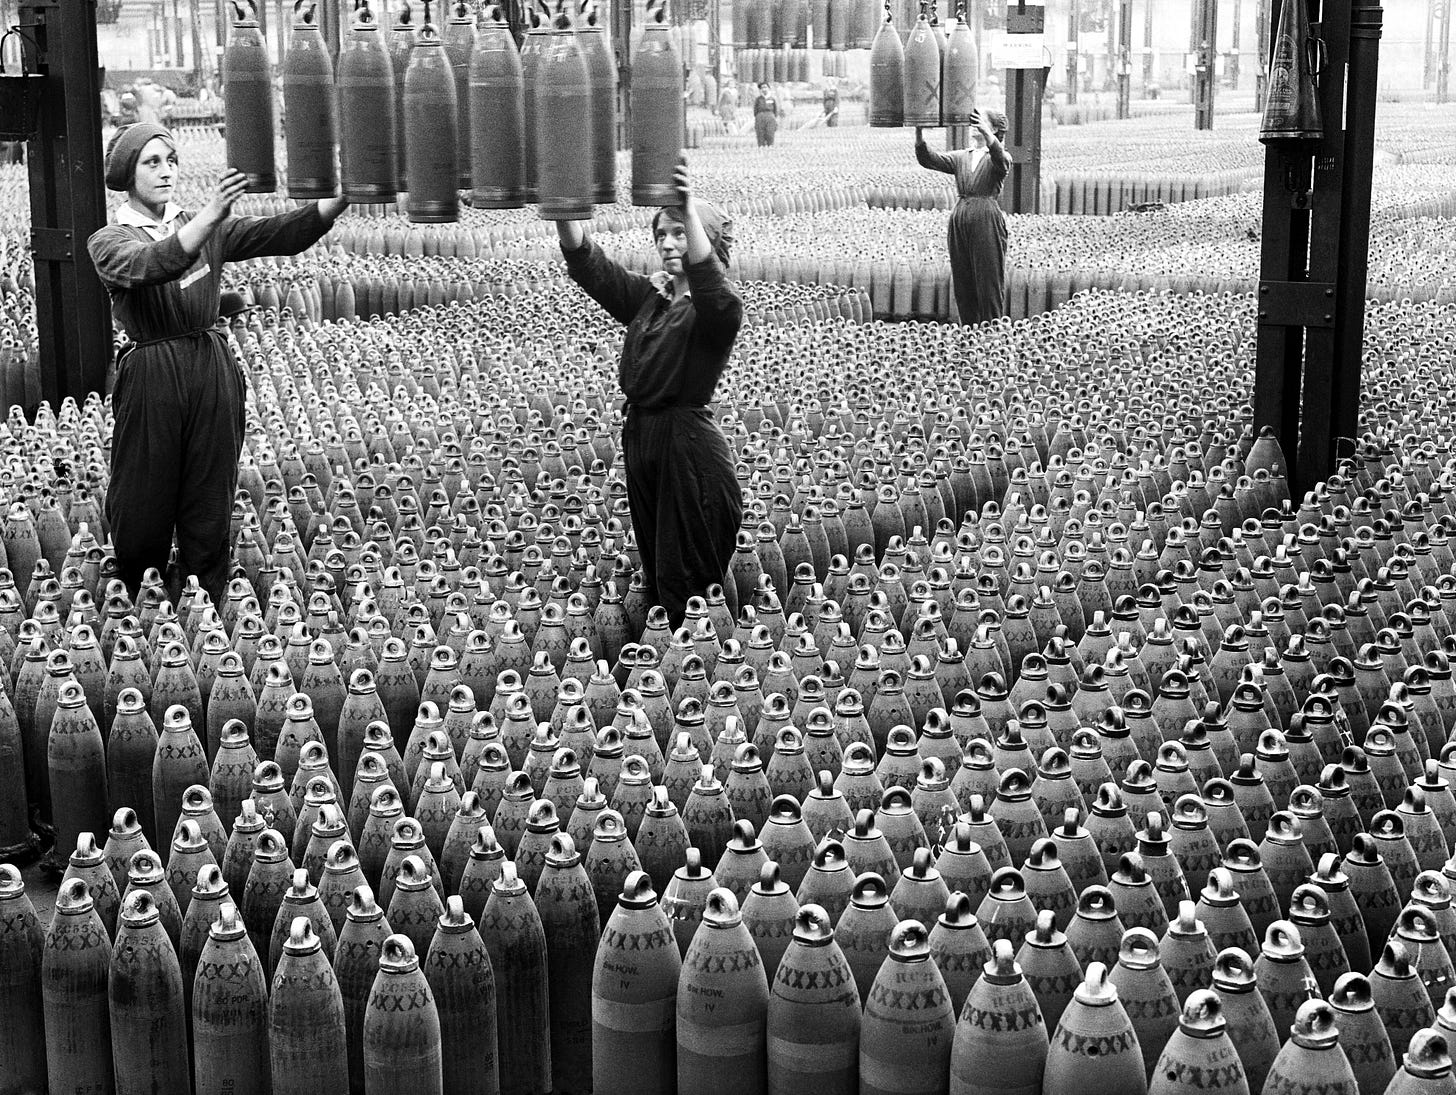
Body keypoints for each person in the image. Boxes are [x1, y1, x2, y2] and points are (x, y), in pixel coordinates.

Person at [87, 122, 348, 607]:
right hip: (152, 374)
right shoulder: (110, 240)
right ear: (127, 174)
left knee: (210, 492)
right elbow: (154, 263)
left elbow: (278, 234)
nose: (166, 171)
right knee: (142, 496)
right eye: (152, 162)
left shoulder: (203, 227)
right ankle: (139, 601)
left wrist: (342, 199)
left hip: (211, 366)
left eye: (171, 160)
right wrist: (210, 216)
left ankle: (203, 602)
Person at [554, 155, 744, 630]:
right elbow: (592, 267)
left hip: (688, 450)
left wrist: (688, 207)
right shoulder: (650, 299)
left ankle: (698, 660)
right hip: (643, 440)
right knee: (660, 574)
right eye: (661, 234)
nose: (668, 243)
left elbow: (710, 285)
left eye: (680, 232)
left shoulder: (718, 309)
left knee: (687, 581)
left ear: (705, 239)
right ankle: (675, 657)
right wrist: (562, 205)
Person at [914, 108, 1012, 325]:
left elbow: (1001, 159)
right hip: (960, 215)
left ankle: (992, 327)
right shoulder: (962, 157)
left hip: (985, 215)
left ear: (994, 128)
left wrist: (987, 134)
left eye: (982, 121)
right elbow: (930, 160)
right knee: (962, 277)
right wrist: (919, 133)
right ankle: (969, 328)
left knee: (988, 276)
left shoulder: (999, 156)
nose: (975, 124)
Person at [753, 81, 780, 146]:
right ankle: (761, 149)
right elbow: (755, 110)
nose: (764, 89)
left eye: (765, 87)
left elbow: (776, 110)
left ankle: (770, 149)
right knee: (760, 135)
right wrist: (758, 117)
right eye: (762, 88)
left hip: (770, 116)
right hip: (760, 117)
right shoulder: (758, 99)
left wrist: (773, 118)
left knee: (770, 134)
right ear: (760, 90)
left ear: (768, 88)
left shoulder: (772, 99)